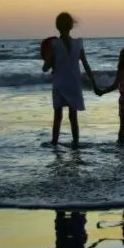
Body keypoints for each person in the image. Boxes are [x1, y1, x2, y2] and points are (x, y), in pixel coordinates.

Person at [42, 12, 97, 148]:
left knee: (58, 117)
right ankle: (76, 142)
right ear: (71, 26)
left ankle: (54, 142)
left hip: (60, 84)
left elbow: (45, 68)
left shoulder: (54, 44)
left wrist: (46, 56)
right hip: (73, 83)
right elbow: (86, 65)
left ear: (57, 26)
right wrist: (95, 85)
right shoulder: (78, 44)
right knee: (73, 117)